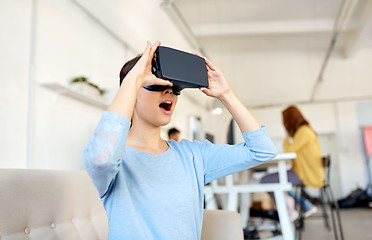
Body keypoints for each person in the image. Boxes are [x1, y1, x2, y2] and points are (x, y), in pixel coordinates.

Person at [84, 41, 277, 239]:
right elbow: (101, 159)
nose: (169, 91)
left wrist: (225, 94)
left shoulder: (192, 155)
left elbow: (262, 151)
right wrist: (133, 80)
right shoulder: (116, 158)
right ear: (131, 91)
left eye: (175, 88)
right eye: (155, 83)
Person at [261, 105, 324, 220]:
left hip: (305, 174)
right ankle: (303, 206)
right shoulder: (304, 131)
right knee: (279, 181)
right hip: (302, 172)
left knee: (266, 180)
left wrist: (286, 136)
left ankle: (289, 212)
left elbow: (289, 151)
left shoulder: (304, 131)